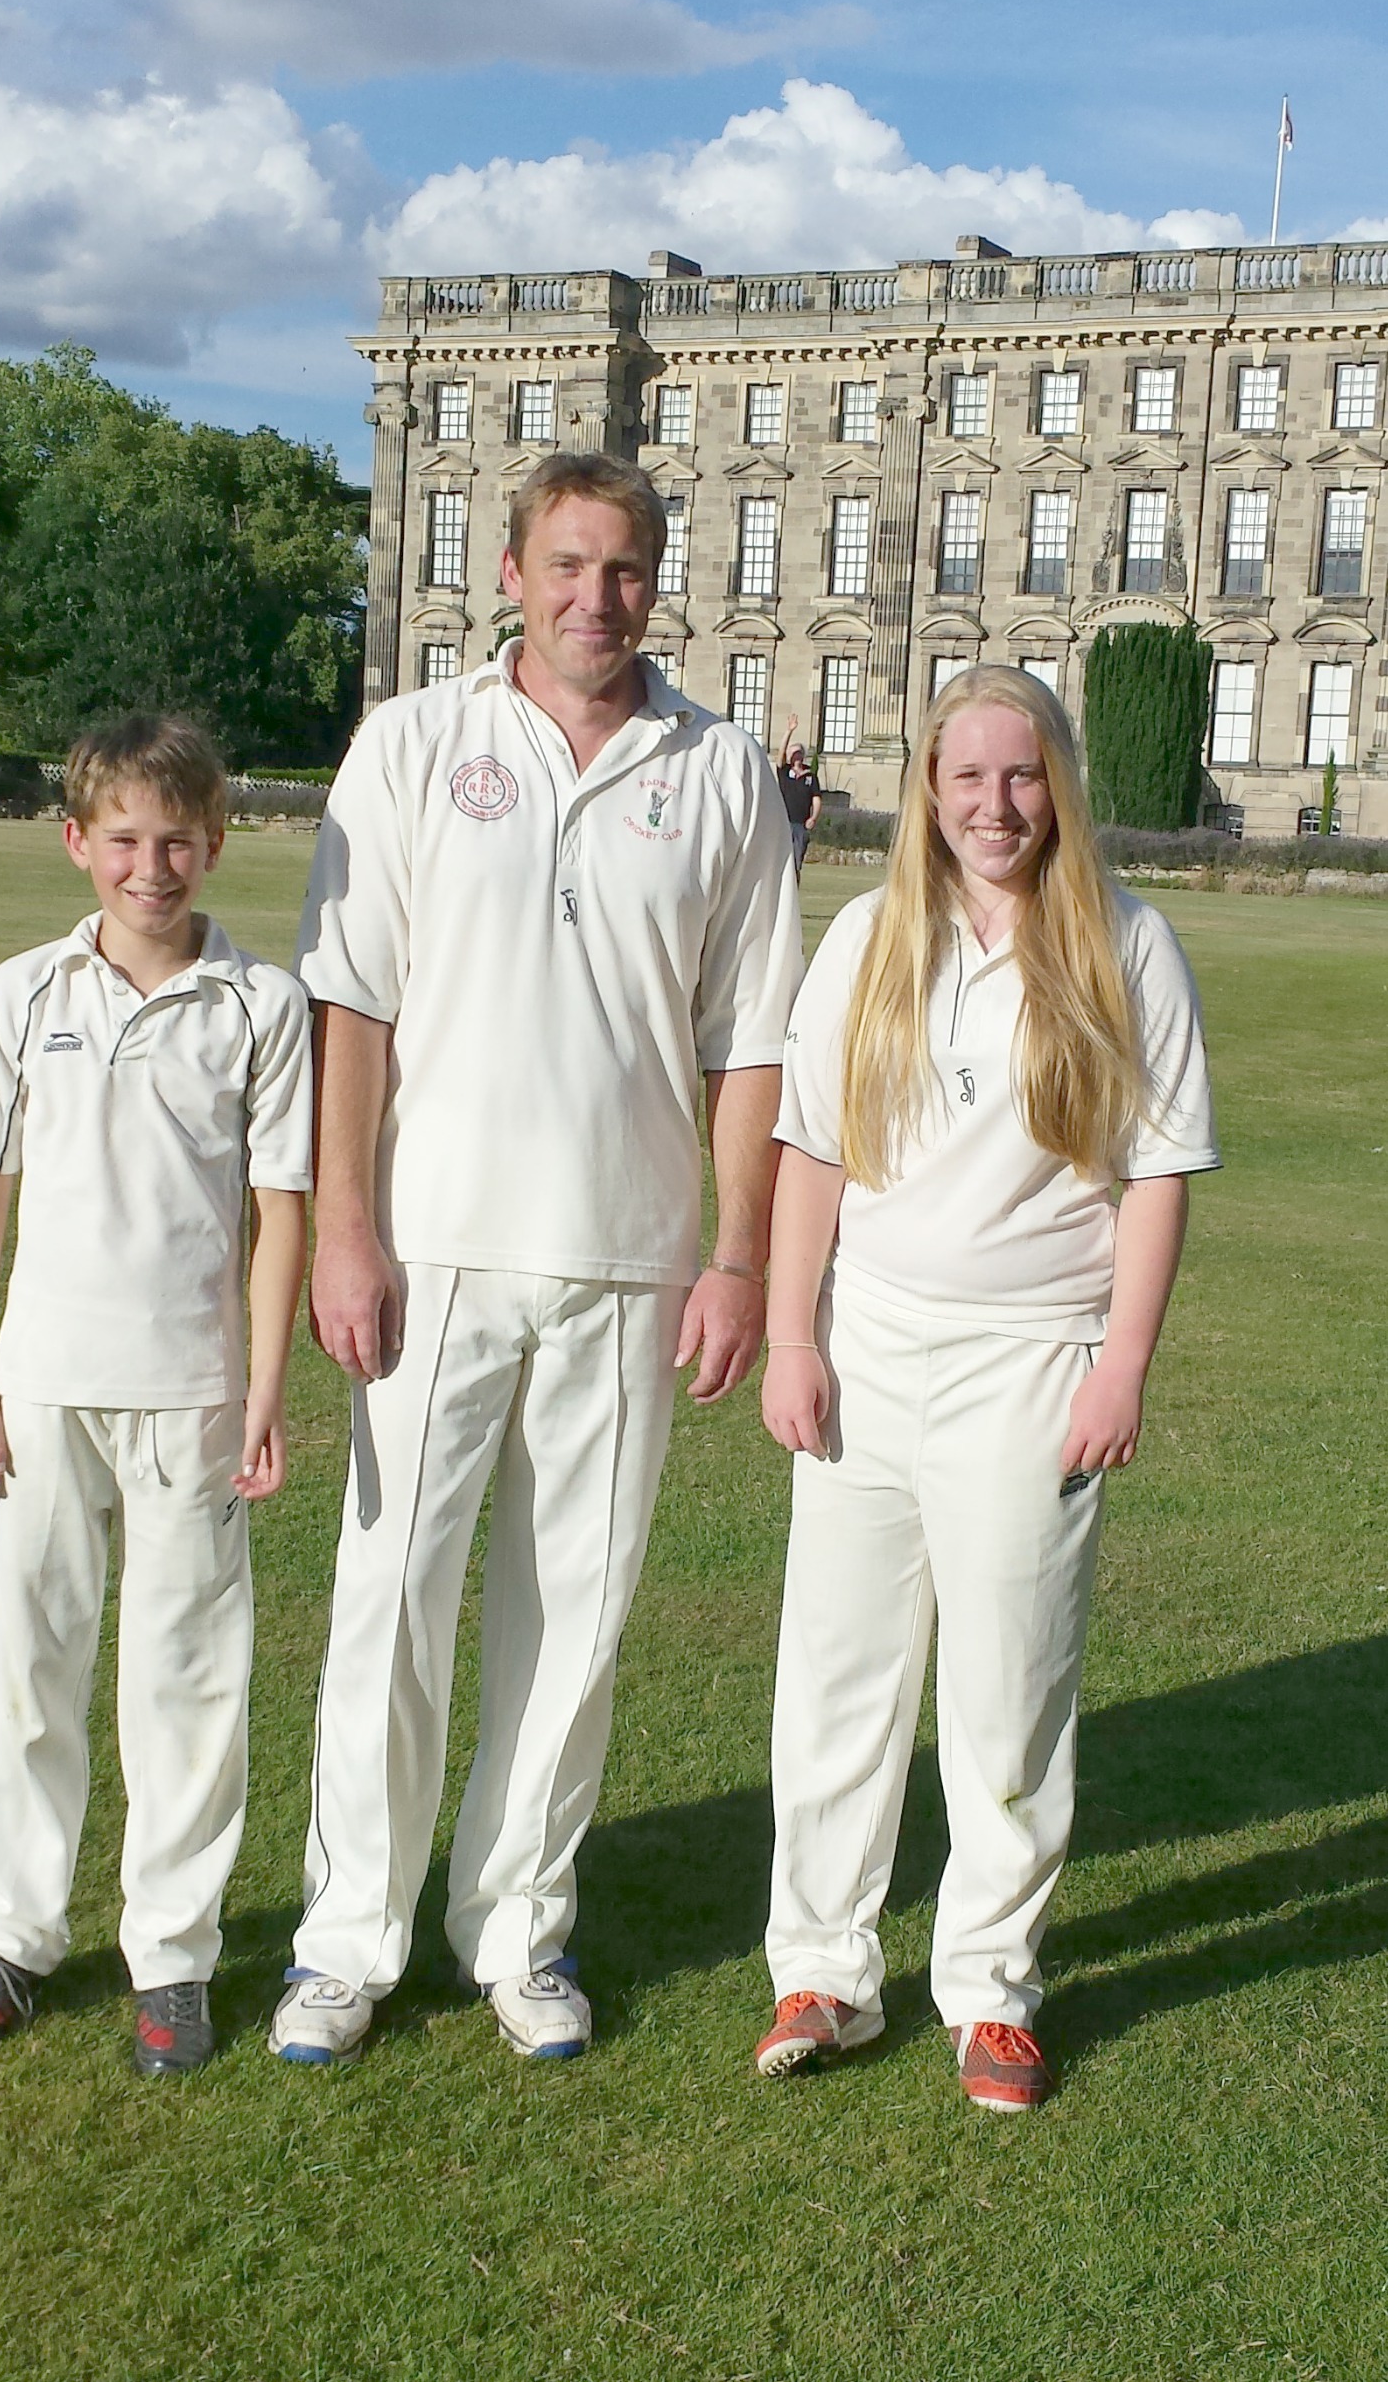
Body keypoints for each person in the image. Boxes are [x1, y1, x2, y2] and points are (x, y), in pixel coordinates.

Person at [270, 452, 800, 2068]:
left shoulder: (716, 773)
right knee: (393, 1602)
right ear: (509, 570)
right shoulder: (417, 744)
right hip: (431, 1255)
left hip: (633, 1264)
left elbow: (753, 1043)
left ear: (659, 578)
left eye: (625, 570)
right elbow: (351, 1007)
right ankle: (348, 1936)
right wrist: (345, 1225)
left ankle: (517, 1927)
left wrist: (738, 1262)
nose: (596, 598)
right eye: (567, 566)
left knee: (576, 1614)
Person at [754, 664, 1218, 2109]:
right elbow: (813, 1153)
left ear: (1056, 786)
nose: (993, 806)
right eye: (966, 779)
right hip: (869, 1346)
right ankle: (822, 1970)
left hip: (1034, 1359)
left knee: (1007, 1686)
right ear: (926, 787)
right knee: (837, 1678)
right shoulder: (867, 937)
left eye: (1020, 778)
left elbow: (1153, 1175)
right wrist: (791, 1334)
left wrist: (1120, 1364)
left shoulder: (1124, 945)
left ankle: (991, 1988)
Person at [0, 715, 312, 2077]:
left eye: (180, 841)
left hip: (192, 1392)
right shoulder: (24, 992)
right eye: (127, 840)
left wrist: (264, 1388)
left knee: (187, 1680)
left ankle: (174, 1953)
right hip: (42, 1383)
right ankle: (12, 1934)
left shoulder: (260, 1004)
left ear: (217, 841)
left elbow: (278, 1210)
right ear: (79, 840)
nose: (153, 867)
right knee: (31, 1667)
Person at [776, 713, 822, 879]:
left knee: (796, 864)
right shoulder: (784, 771)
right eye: (792, 753)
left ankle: (794, 892)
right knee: (779, 862)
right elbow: (779, 755)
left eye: (798, 753)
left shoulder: (810, 776)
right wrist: (789, 731)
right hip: (783, 823)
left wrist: (813, 817)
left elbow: (816, 799)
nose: (795, 755)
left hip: (800, 825)